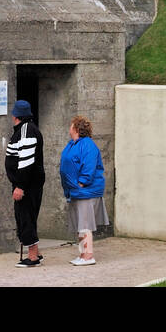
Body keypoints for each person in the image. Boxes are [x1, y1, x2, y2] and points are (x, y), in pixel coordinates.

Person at [58, 114, 108, 266]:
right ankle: (82, 254)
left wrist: (81, 183)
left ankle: (88, 256)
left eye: (71, 125)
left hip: (85, 191)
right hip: (75, 191)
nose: (69, 127)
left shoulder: (87, 145)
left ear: (76, 128)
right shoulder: (73, 144)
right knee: (80, 224)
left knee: (85, 224)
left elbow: (89, 166)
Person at [5, 99, 46, 268]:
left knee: (25, 219)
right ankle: (36, 252)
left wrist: (20, 186)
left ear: (16, 115)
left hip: (27, 186)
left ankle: (33, 257)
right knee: (27, 218)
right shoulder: (26, 129)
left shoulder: (26, 131)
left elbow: (26, 161)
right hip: (28, 185)